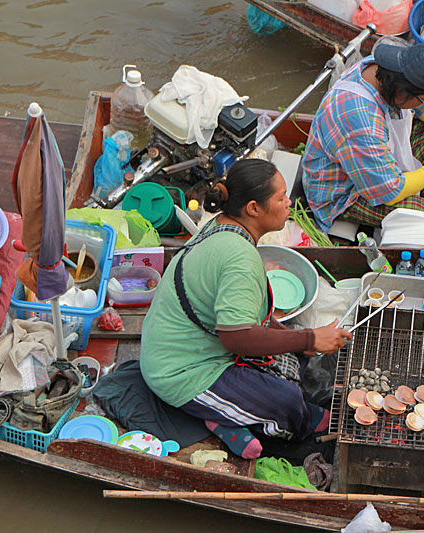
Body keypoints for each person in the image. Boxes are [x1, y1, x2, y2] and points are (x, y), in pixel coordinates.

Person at [140, 159, 352, 459]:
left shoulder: (223, 225)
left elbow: (248, 317)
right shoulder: (239, 259)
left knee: (297, 356)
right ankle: (218, 418)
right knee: (288, 402)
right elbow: (236, 338)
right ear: (254, 208)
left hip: (202, 342)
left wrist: (303, 342)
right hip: (179, 370)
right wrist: (309, 338)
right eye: (281, 197)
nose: (289, 202)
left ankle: (227, 413)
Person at [302, 41, 424, 234]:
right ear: (401, 94)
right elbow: (391, 191)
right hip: (344, 193)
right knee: (416, 214)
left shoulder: (389, 68)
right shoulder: (360, 119)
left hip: (370, 158)